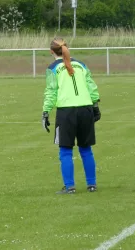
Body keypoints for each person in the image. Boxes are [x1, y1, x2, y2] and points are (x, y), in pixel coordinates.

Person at [42, 38, 101, 194]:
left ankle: (70, 187)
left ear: (51, 52)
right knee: (86, 149)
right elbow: (91, 86)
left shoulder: (53, 68)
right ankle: (92, 185)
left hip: (66, 112)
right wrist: (95, 106)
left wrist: (46, 111)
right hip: (85, 109)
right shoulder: (81, 65)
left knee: (65, 150)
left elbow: (51, 92)